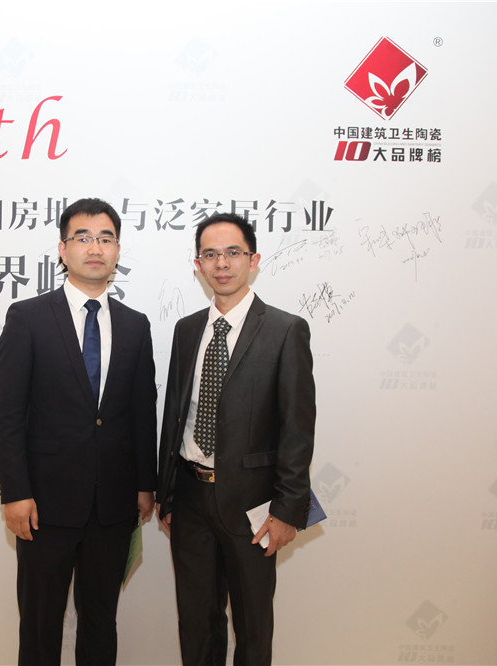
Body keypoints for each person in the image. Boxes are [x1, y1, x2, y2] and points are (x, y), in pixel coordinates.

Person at [0, 197, 158, 666]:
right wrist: (15, 492)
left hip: (113, 506)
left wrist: (145, 485)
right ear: (63, 249)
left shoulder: (135, 325)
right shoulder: (27, 317)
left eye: (106, 238)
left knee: (101, 623)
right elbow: (9, 415)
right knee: (40, 625)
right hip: (43, 506)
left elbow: (142, 411)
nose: (95, 248)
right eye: (83, 237)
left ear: (118, 250)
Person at [156, 212, 316, 665]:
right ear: (198, 265)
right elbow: (174, 416)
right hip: (190, 500)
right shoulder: (187, 330)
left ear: (253, 260)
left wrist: (287, 509)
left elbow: (297, 429)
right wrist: (167, 495)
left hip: (254, 506)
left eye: (232, 253)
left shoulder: (285, 330)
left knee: (252, 625)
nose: (221, 263)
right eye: (210, 255)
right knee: (196, 622)